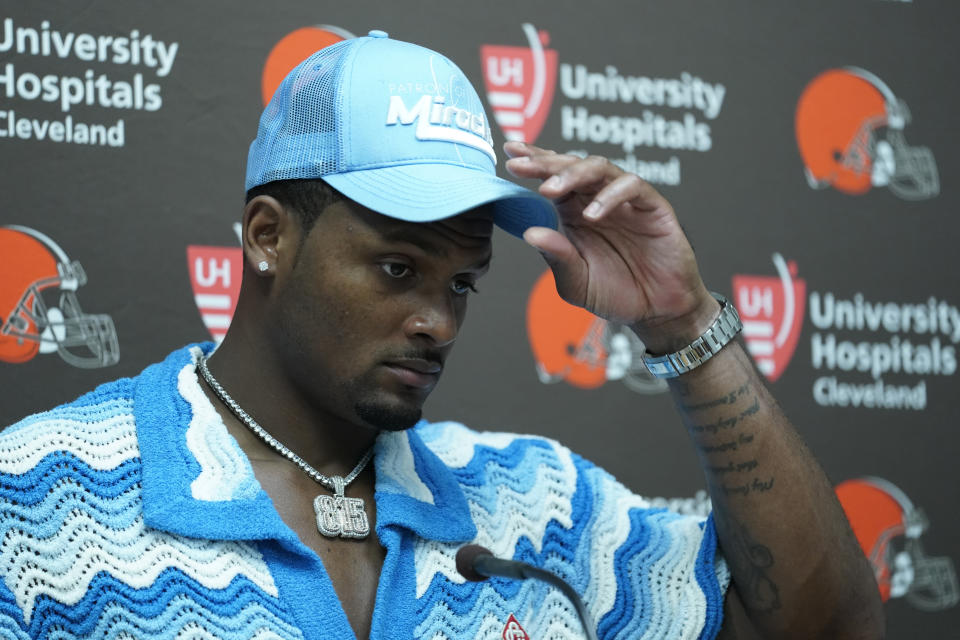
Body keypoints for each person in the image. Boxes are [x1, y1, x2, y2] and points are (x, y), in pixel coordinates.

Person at [0, 31, 882, 640]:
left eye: (462, 281)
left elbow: (824, 627)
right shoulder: (39, 501)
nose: (439, 319)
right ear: (269, 235)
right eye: (397, 269)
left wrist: (680, 320)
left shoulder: (540, 508)